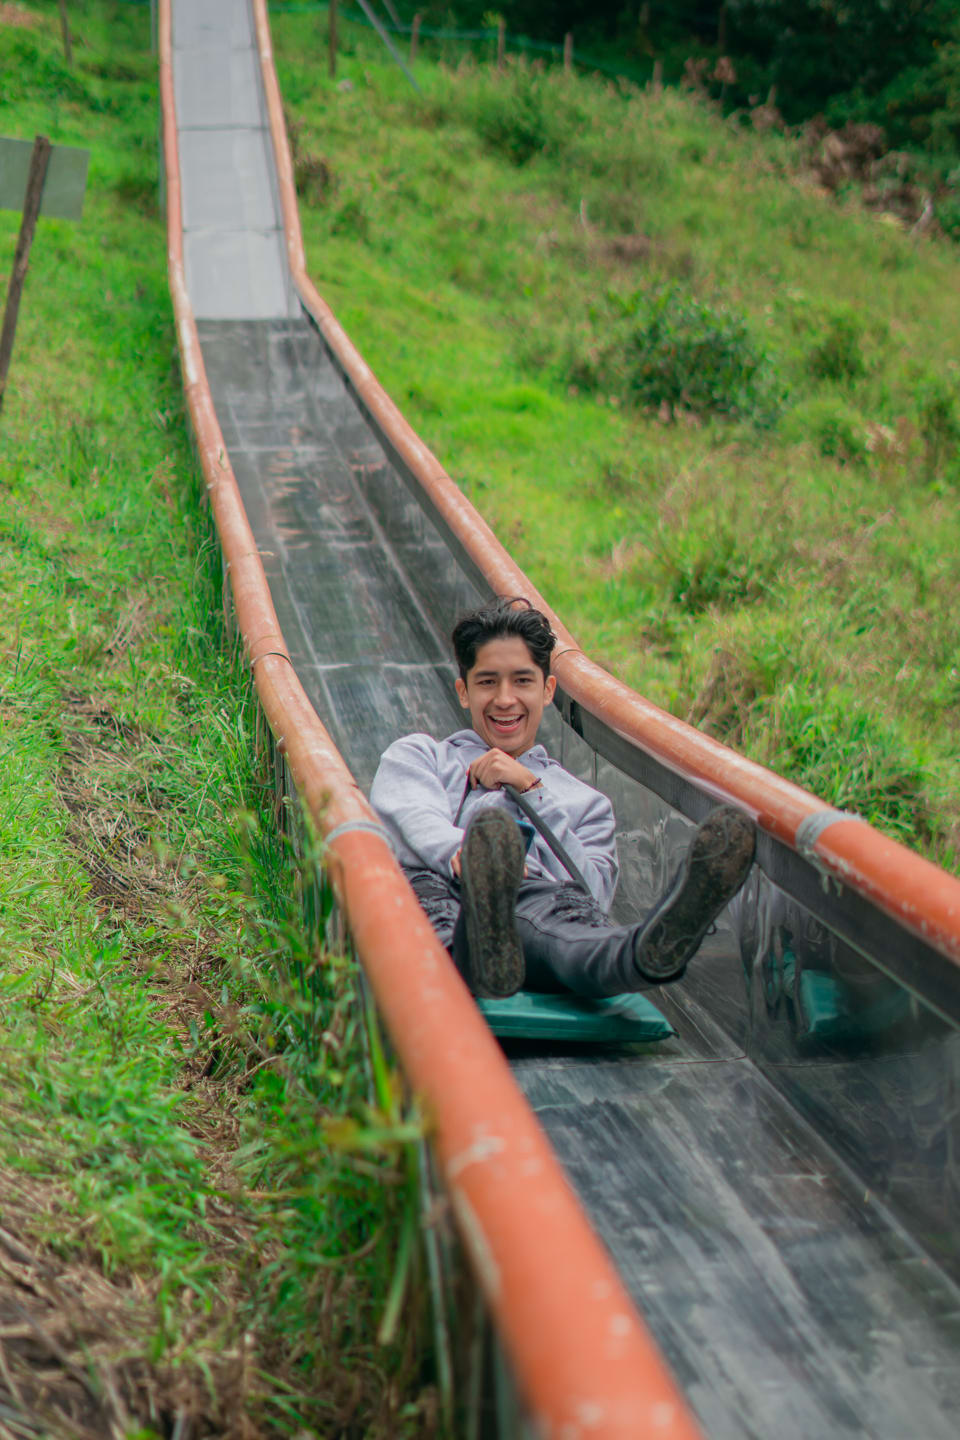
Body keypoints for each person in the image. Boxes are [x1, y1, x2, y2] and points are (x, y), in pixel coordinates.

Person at [370, 597, 756, 999]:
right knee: (430, 915)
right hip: (437, 889)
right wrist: (467, 854)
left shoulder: (586, 803)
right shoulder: (421, 756)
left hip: (531, 903)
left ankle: (648, 951)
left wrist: (530, 790)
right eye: (487, 682)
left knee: (567, 928)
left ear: (547, 690)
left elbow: (594, 895)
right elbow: (411, 817)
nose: (504, 699)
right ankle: (477, 956)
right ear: (463, 692)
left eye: (522, 681)